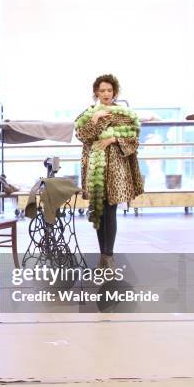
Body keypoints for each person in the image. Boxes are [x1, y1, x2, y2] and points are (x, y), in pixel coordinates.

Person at [74, 74, 143, 268]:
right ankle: (103, 255)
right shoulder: (88, 114)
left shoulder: (124, 114)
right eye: (102, 90)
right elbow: (82, 135)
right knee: (99, 209)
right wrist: (95, 119)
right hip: (95, 167)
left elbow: (134, 140)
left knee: (110, 209)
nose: (106, 93)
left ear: (115, 92)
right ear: (96, 92)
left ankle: (108, 256)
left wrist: (113, 139)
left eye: (109, 90)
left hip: (115, 169)